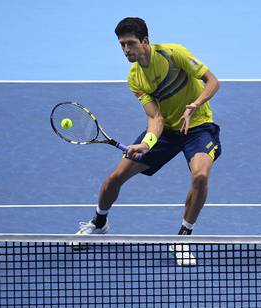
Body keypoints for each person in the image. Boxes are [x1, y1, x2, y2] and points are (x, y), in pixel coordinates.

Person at [72, 17, 221, 266]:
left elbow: (213, 81)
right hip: (166, 132)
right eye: (122, 45)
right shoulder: (135, 79)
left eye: (130, 43)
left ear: (145, 41)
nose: (126, 50)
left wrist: (194, 105)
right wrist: (148, 143)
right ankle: (99, 223)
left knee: (200, 176)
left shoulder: (174, 54)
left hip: (198, 127)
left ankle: (183, 238)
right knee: (114, 178)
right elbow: (155, 118)